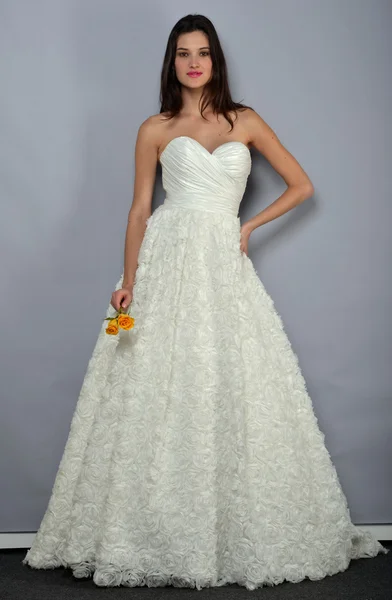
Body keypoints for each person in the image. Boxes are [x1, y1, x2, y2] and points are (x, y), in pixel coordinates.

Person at [23, 13, 388, 591]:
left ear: (216, 59)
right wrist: (128, 278)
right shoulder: (154, 128)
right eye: (182, 53)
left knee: (231, 380)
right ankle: (147, 528)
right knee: (154, 383)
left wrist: (247, 229)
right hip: (167, 259)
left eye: (203, 52)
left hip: (221, 256)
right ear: (172, 63)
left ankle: (223, 529)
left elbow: (302, 185)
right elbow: (140, 209)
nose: (193, 62)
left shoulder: (246, 120)